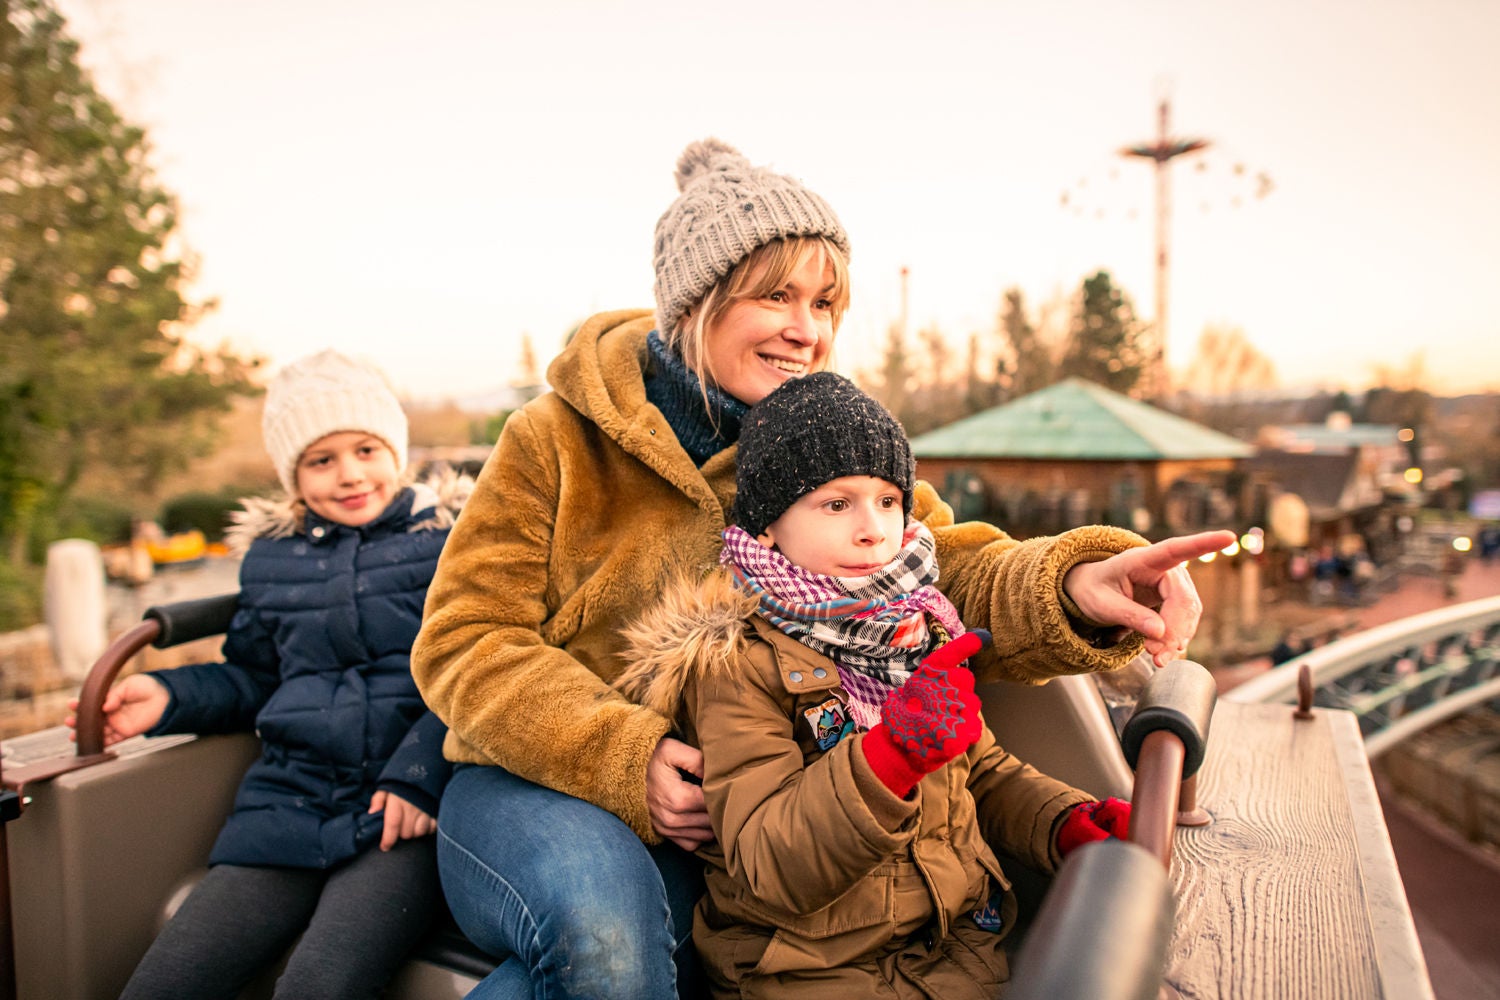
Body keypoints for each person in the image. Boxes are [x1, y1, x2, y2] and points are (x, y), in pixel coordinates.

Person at [411, 137, 1233, 1000]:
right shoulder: (555, 442)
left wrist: (1072, 585)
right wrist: (623, 754)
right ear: (697, 304)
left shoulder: (822, 441)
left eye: (826, 302)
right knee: (603, 936)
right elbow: (463, 639)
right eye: (776, 296)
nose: (808, 329)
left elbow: (938, 567)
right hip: (536, 784)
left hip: (734, 811)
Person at [615, 372, 1136, 997]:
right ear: (767, 528)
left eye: (889, 501)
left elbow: (977, 773)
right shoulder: (736, 664)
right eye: (837, 504)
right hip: (809, 974)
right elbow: (768, 862)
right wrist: (890, 756)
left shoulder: (913, 626)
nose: (873, 529)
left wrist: (1062, 822)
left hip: (957, 952)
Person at [67, 350, 467, 1000]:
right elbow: (254, 678)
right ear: (293, 474)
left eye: (366, 449)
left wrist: (420, 776)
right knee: (164, 982)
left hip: (399, 819)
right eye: (321, 460)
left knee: (319, 984)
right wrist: (168, 696)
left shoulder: (451, 546)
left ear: (396, 448)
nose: (349, 475)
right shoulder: (271, 564)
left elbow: (476, 671)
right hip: (288, 802)